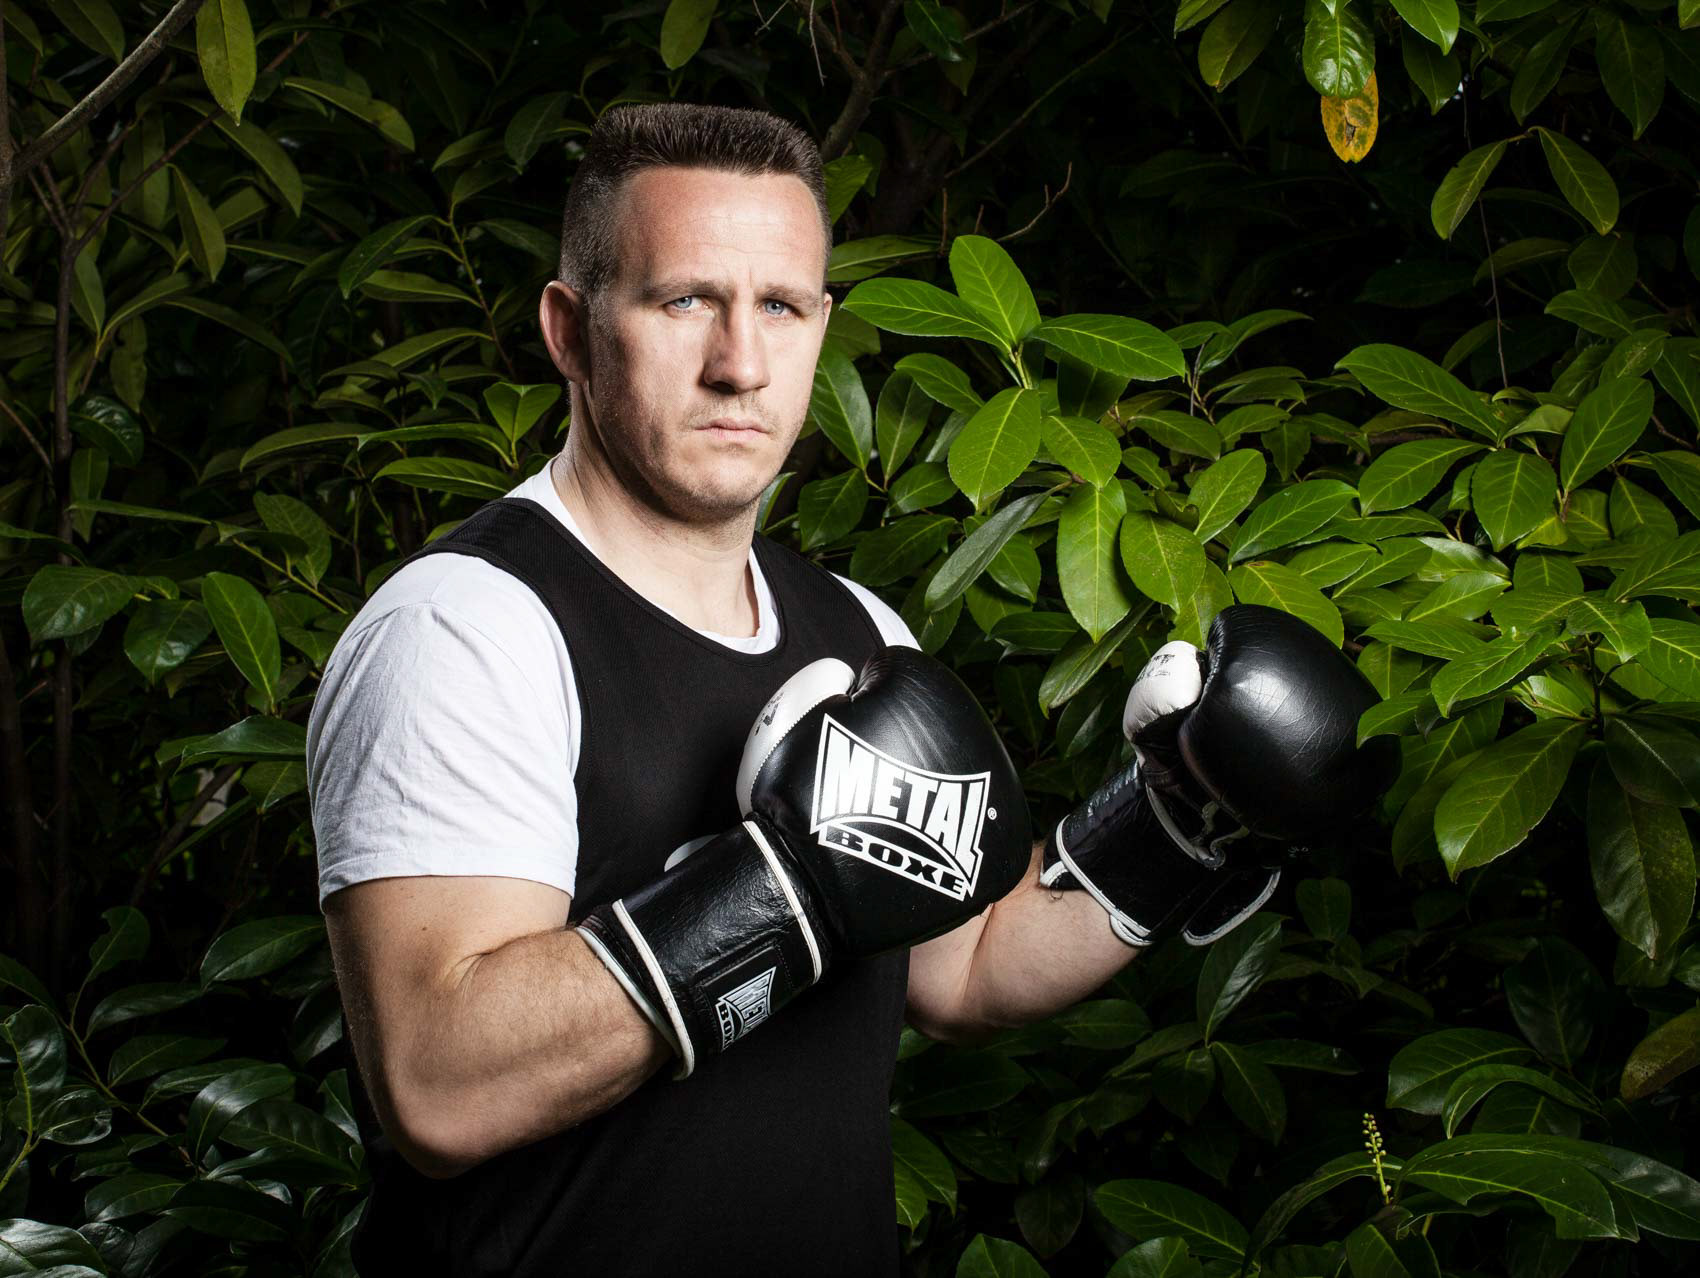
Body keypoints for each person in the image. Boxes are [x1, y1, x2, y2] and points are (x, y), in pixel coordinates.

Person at [306, 103, 1393, 1276]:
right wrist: (783, 886)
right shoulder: (467, 628)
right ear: (571, 332)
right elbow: (440, 1088)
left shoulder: (856, 629)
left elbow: (964, 970)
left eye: (779, 306)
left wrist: (1171, 821)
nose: (739, 363)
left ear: (820, 327)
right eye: (685, 301)